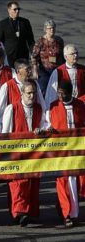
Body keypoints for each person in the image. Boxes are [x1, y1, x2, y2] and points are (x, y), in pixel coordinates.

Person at [1, 80, 46, 227]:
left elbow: (45, 124)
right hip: (17, 154)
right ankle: (20, 212)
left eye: (33, 93)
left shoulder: (39, 109)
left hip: (33, 154)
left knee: (32, 183)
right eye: (28, 93)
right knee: (18, 184)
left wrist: (41, 130)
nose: (32, 96)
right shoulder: (11, 108)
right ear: (22, 93)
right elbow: (5, 132)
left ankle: (28, 212)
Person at [46, 81, 85, 227]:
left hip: (76, 151)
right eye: (59, 93)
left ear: (71, 92)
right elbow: (47, 124)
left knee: (74, 182)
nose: (60, 96)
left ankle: (73, 213)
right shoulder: (53, 107)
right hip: (60, 152)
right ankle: (66, 214)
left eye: (63, 93)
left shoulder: (80, 105)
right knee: (62, 182)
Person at [0, 59, 45, 132]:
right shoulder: (7, 86)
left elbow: (42, 105)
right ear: (18, 71)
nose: (30, 71)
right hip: (16, 131)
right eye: (27, 69)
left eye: (30, 68)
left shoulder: (34, 84)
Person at [45, 44, 85, 109]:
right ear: (66, 57)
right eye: (72, 54)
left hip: (80, 105)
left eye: (76, 53)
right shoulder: (58, 71)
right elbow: (52, 93)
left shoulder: (83, 70)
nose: (76, 56)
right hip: (64, 106)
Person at [31, 19, 64, 96]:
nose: (52, 30)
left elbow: (62, 55)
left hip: (56, 69)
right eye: (49, 28)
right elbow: (34, 57)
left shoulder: (59, 40)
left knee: (57, 90)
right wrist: (35, 70)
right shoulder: (40, 41)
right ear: (45, 29)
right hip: (44, 70)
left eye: (53, 28)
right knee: (44, 90)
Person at [0, 1, 35, 67]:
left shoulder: (25, 22)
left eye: (18, 9)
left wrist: (33, 54)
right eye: (15, 9)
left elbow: (30, 40)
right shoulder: (3, 23)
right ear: (9, 10)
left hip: (23, 55)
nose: (17, 11)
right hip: (9, 56)